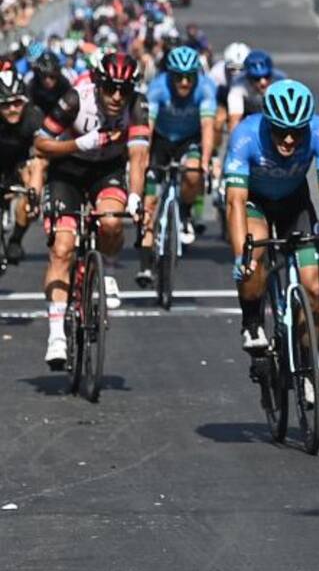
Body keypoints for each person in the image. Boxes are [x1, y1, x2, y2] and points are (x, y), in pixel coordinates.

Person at [224, 79, 319, 406]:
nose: (289, 139)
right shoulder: (246, 135)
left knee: (315, 288)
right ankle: (251, 320)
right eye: (280, 131)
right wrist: (241, 256)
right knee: (256, 245)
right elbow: (235, 202)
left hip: (294, 203)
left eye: (297, 131)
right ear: (268, 124)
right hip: (254, 203)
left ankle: (308, 369)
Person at [37, 52, 150, 368]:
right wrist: (79, 143)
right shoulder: (76, 98)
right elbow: (40, 144)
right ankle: (57, 335)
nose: (117, 97)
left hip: (107, 171)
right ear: (99, 84)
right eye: (111, 88)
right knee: (62, 249)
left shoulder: (137, 106)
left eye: (124, 90)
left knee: (112, 222)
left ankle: (108, 271)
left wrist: (136, 197)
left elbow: (139, 157)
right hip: (68, 170)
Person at [136, 46, 216, 284]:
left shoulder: (205, 87)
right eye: (178, 77)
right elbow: (146, 130)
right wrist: (142, 161)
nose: (184, 82)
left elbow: (208, 127)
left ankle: (186, 212)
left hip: (188, 140)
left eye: (189, 76)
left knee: (193, 173)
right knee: (149, 202)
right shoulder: (158, 87)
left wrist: (204, 162)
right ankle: (145, 265)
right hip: (160, 140)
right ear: (169, 75)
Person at [0, 68, 44, 264]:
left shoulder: (34, 117)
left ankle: (16, 239)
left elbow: (39, 158)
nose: (12, 110)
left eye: (17, 103)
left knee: (30, 194)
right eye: (5, 105)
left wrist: (32, 190)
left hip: (21, 163)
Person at [227, 49, 284, 132]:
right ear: (248, 77)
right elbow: (235, 120)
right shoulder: (238, 86)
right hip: (247, 116)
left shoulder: (280, 81)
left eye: (266, 76)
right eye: (257, 78)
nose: (263, 82)